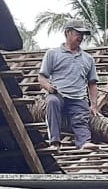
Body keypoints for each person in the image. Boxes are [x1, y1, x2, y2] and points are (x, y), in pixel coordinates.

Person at [38, 20, 101, 150]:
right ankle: (55, 142)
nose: (81, 37)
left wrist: (94, 105)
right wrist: (49, 87)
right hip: (58, 94)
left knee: (81, 118)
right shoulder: (53, 54)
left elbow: (92, 84)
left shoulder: (88, 58)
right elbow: (42, 77)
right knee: (52, 102)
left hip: (78, 98)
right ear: (68, 33)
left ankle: (84, 142)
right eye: (78, 33)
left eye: (83, 34)